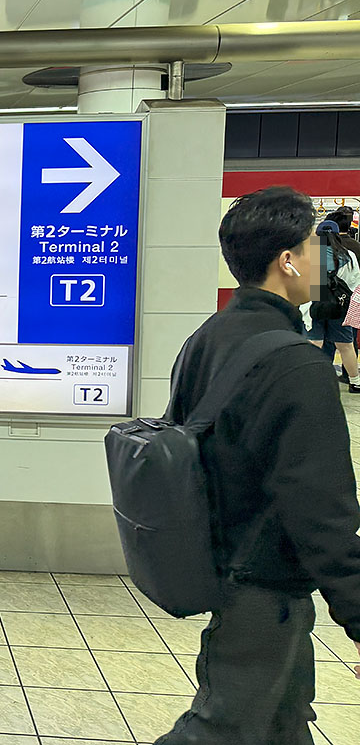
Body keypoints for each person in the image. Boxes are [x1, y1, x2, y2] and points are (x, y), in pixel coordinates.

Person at [158, 186, 360, 744]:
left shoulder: (206, 338)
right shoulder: (296, 364)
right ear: (288, 261)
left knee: (282, 724)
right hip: (263, 583)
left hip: (219, 561)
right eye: (315, 248)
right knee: (220, 731)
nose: (323, 262)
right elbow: (322, 508)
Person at [304, 219, 360, 393]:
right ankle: (355, 382)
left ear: (318, 235)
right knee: (346, 346)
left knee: (314, 343)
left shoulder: (309, 254)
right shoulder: (348, 255)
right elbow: (355, 284)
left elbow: (302, 283)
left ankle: (311, 381)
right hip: (340, 307)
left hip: (314, 305)